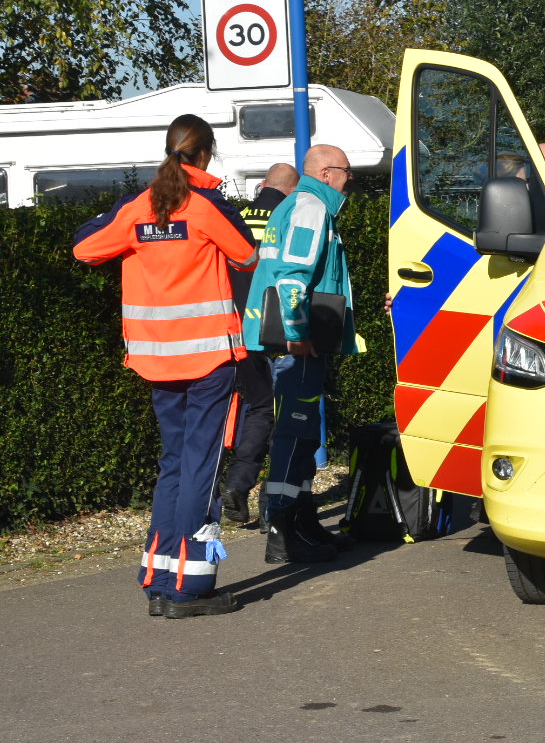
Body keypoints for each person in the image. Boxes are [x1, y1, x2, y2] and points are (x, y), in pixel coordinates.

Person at [72, 115, 258, 617]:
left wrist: (133, 225)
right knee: (202, 464)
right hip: (210, 361)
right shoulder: (207, 206)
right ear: (205, 155)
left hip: (156, 361)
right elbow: (246, 255)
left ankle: (159, 579)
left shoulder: (138, 206)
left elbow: (85, 247)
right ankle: (189, 587)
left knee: (175, 464)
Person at [243, 145, 360, 564]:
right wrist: (295, 331)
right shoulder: (311, 207)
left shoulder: (301, 204)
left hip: (303, 341)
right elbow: (293, 275)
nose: (350, 181)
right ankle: (284, 531)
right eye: (347, 173)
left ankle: (302, 521)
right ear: (327, 173)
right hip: (299, 343)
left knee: (305, 434)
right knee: (294, 435)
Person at [220, 162, 300, 528]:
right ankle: (266, 500)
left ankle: (216, 489)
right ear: (292, 190)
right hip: (269, 331)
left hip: (222, 326)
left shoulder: (233, 215)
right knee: (270, 411)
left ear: (264, 184)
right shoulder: (287, 218)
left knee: (221, 409)